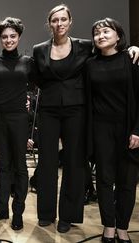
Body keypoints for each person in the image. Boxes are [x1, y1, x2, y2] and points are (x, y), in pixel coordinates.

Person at [33, 4, 139, 233]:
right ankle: (46, 213)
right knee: (47, 163)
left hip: (76, 110)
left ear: (70, 22)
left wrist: (134, 48)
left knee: (74, 163)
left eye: (63, 19)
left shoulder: (85, 46)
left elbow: (112, 50)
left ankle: (68, 216)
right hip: (49, 109)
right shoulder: (39, 49)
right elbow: (37, 79)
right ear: (49, 24)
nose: (59, 24)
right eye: (54, 20)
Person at [86, 17, 139, 243]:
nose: (101, 36)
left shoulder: (132, 60)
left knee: (127, 181)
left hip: (129, 128)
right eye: (97, 33)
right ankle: (109, 226)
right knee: (105, 180)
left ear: (118, 36)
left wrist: (138, 130)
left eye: (106, 31)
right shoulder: (90, 64)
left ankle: (123, 228)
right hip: (100, 128)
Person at [0, 17, 34, 230]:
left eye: (12, 36)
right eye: (4, 36)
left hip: (19, 118)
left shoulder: (28, 62)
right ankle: (2, 208)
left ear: (19, 37)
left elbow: (41, 83)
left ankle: (18, 212)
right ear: (0, 38)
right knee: (3, 165)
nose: (8, 40)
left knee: (20, 165)